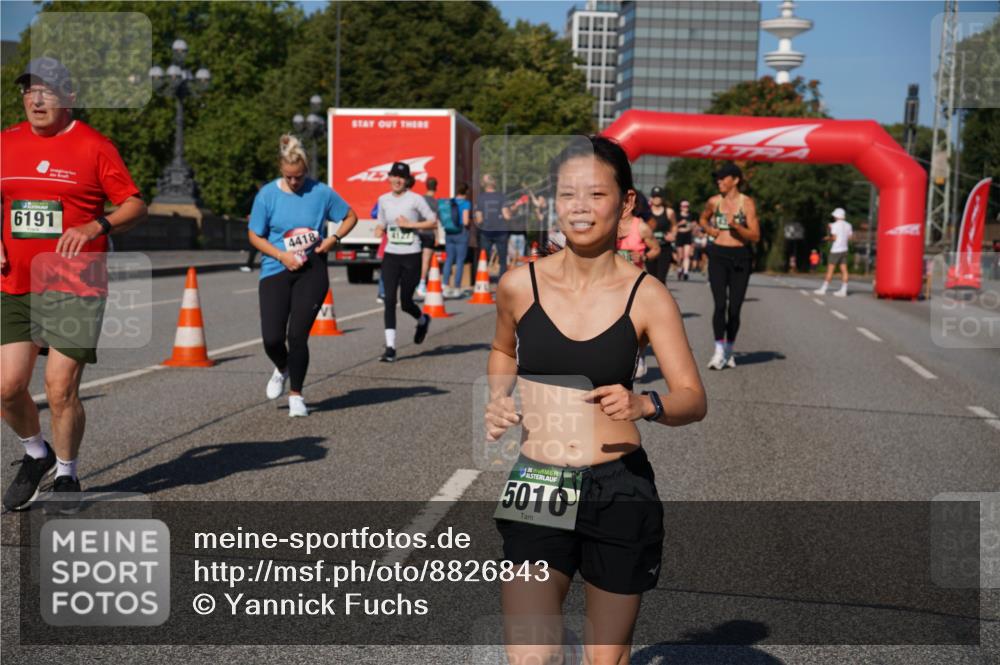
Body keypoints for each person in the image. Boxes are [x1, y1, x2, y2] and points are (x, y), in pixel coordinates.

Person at [485, 136, 706, 665]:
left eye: (596, 194)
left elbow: (693, 399)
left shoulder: (647, 294)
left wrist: (645, 404)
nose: (580, 207)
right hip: (539, 483)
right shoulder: (519, 284)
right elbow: (500, 348)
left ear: (626, 203)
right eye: (567, 195)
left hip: (619, 489)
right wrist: (497, 396)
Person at [1, 58, 147, 511]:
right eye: (29, 91)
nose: (36, 99)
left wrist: (96, 226)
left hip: (74, 281)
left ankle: (67, 475)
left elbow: (135, 203)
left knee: (60, 386)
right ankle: (35, 453)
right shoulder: (5, 143)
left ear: (69, 98)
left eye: (47, 91)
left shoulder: (94, 146)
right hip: (15, 281)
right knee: (6, 388)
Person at [249, 135, 357, 417]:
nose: (295, 182)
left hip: (312, 271)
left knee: (297, 335)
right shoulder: (267, 195)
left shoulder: (321, 192)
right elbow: (254, 235)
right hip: (276, 269)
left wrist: (333, 239)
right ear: (281, 170)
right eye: (289, 177)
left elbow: (350, 216)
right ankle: (282, 367)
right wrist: (281, 255)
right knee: (272, 338)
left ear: (306, 171)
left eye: (299, 177)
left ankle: (297, 393)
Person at [698, 162, 760, 370]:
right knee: (719, 305)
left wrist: (737, 227)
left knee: (734, 308)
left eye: (723, 178)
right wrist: (709, 229)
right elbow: (703, 219)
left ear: (735, 180)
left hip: (741, 256)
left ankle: (729, 350)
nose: (719, 182)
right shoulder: (713, 201)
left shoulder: (747, 203)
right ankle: (718, 351)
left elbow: (755, 235)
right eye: (718, 178)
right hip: (718, 255)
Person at [375, 161, 437, 362]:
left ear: (407, 180)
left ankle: (422, 320)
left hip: (411, 254)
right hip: (391, 255)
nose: (398, 180)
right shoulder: (383, 199)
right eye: (394, 176)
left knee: (406, 302)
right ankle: (390, 347)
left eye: (402, 177)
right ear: (389, 178)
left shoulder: (415, 199)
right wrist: (379, 228)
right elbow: (382, 221)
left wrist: (411, 224)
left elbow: (432, 220)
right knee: (389, 300)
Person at [475, 173, 512, 281]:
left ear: (484, 185)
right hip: (501, 231)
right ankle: (502, 281)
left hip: (486, 231)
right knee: (502, 258)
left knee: (483, 258)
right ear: (494, 183)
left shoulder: (480, 198)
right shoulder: (502, 196)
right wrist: (512, 212)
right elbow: (507, 216)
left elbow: (479, 219)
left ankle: (482, 280)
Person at [441, 182, 472, 298]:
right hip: (461, 233)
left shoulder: (450, 201)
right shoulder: (465, 203)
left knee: (449, 259)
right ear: (466, 192)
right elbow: (465, 221)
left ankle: (444, 285)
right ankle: (457, 287)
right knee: (459, 261)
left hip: (449, 232)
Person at [813, 208, 853, 297]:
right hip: (844, 249)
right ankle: (844, 290)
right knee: (844, 270)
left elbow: (834, 238)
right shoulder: (849, 225)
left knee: (830, 270)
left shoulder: (835, 225)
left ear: (836, 216)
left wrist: (828, 238)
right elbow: (850, 237)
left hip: (835, 250)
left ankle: (823, 289)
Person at [417, 176, 442, 299]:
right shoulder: (435, 202)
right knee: (425, 260)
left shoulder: (419, 199)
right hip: (428, 234)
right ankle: (421, 284)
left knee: (415, 260)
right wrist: (438, 237)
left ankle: (414, 282)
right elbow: (435, 221)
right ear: (436, 187)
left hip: (417, 232)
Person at [646, 186, 675, 283]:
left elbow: (675, 226)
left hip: (664, 248)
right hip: (650, 248)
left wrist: (673, 235)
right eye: (654, 197)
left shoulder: (669, 212)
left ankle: (661, 297)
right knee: (651, 278)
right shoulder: (646, 213)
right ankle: (652, 298)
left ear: (662, 198)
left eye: (658, 196)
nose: (656, 199)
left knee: (661, 279)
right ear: (651, 198)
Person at [674, 200, 696, 281]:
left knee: (687, 255)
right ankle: (680, 269)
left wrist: (691, 226)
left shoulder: (691, 216)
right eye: (684, 206)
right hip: (680, 236)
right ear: (680, 207)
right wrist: (680, 223)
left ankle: (686, 272)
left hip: (688, 236)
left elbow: (694, 225)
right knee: (680, 256)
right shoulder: (677, 216)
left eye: (687, 206)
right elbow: (673, 227)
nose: (685, 208)